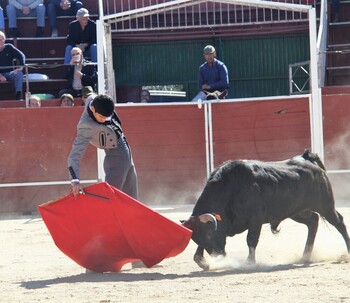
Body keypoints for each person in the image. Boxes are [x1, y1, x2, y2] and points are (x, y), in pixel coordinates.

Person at [68, 93, 139, 200]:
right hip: (116, 155)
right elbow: (74, 155)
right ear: (92, 108)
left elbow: (92, 96)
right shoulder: (86, 126)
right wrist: (75, 180)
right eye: (101, 117)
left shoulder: (95, 99)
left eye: (108, 117)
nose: (105, 120)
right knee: (111, 197)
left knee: (127, 198)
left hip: (123, 151)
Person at [0, 31, 25, 100]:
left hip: (10, 73)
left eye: (2, 39)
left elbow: (21, 55)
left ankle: (18, 95)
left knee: (19, 74)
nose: (0, 41)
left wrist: (20, 67)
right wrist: (0, 76)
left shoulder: (9, 47)